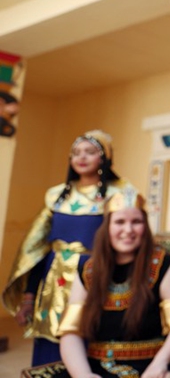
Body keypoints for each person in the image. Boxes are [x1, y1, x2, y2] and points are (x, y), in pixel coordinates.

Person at [3, 130, 135, 366]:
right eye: (76, 153)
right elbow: (37, 251)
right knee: (49, 344)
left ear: (104, 158)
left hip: (95, 278)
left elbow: (125, 244)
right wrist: (28, 298)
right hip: (53, 282)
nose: (81, 158)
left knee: (88, 339)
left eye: (90, 152)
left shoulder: (119, 194)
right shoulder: (56, 196)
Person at [58, 184, 170, 378]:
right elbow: (70, 333)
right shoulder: (89, 269)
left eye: (136, 222)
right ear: (107, 227)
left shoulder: (162, 264)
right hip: (96, 368)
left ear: (145, 226)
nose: (128, 230)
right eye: (120, 222)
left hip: (151, 367)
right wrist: (83, 375)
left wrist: (159, 365)